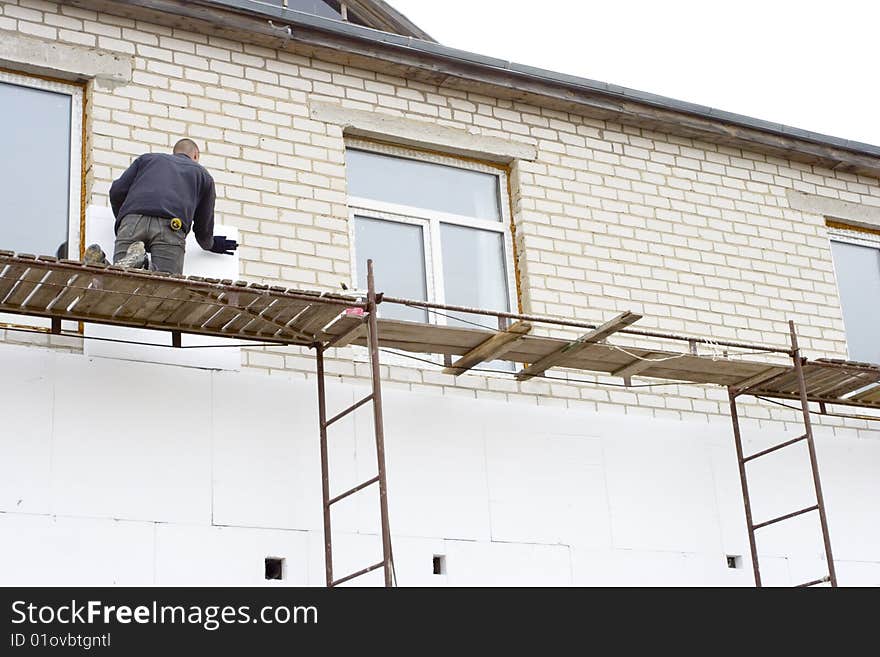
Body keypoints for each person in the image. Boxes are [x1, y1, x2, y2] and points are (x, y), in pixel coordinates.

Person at [83, 138, 237, 273]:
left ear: (174, 152)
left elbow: (116, 191)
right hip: (170, 227)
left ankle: (101, 264)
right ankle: (142, 264)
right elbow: (203, 223)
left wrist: (125, 220)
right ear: (195, 155)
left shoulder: (146, 160)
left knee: (122, 276)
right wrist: (211, 244)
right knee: (166, 285)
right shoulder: (202, 175)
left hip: (131, 222)